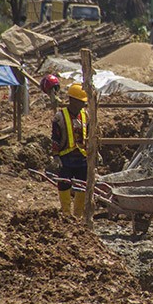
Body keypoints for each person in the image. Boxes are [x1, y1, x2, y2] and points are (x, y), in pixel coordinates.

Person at [51, 83, 88, 217]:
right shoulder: (60, 117)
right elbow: (55, 137)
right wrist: (55, 156)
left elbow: (89, 136)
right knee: (64, 184)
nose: (83, 105)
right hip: (65, 157)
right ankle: (66, 213)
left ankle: (78, 215)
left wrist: (95, 152)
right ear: (72, 100)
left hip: (82, 157)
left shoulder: (86, 116)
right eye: (80, 102)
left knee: (82, 186)